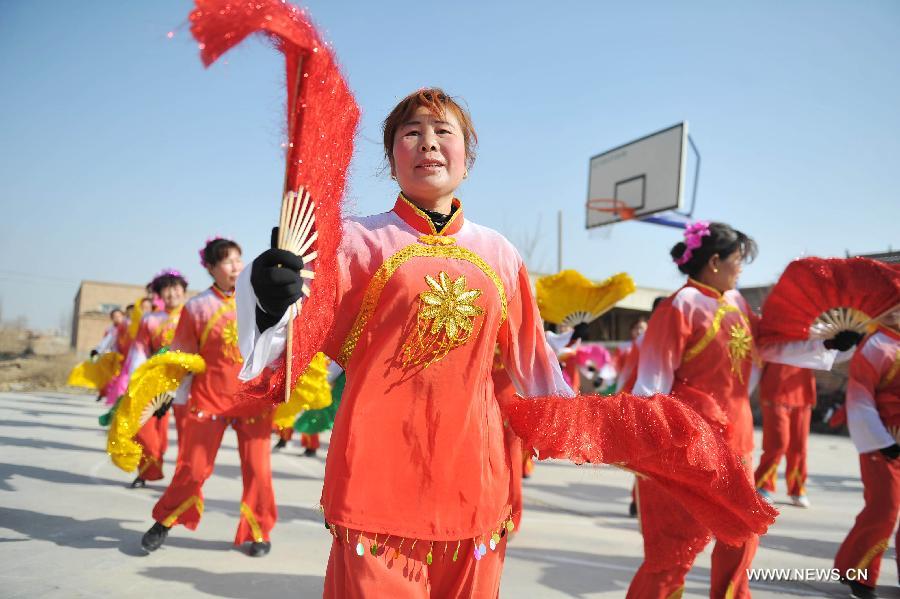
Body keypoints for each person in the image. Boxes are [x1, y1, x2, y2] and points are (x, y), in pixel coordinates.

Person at [239, 90, 776, 598]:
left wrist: (638, 437)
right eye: (410, 132)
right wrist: (267, 298)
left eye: (442, 130)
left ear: (466, 156)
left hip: (477, 479)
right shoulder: (353, 241)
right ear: (391, 158)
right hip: (376, 476)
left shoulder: (499, 253)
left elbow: (539, 374)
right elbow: (288, 342)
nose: (427, 142)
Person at [627, 221, 858, 599]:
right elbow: (652, 384)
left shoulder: (735, 303)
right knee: (673, 552)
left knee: (742, 534)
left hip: (736, 440)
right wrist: (648, 450)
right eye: (738, 261)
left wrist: (831, 343)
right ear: (714, 262)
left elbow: (769, 346)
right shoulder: (679, 307)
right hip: (689, 446)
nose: (741, 269)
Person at [140, 238, 278, 558]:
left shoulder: (261, 298)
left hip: (253, 398)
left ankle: (260, 529)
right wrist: (167, 396)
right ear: (211, 268)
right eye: (227, 262)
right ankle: (164, 520)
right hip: (209, 398)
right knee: (193, 468)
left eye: (238, 259)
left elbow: (279, 344)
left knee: (258, 469)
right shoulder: (197, 307)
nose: (235, 267)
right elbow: (182, 356)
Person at [834, 309, 900, 599]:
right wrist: (881, 440)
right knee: (884, 508)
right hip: (882, 443)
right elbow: (859, 396)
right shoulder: (875, 345)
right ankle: (857, 571)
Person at [126, 270, 188, 488]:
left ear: (183, 290)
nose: (171, 293)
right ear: (161, 294)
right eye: (166, 289)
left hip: (188, 382)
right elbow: (139, 351)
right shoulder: (150, 320)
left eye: (176, 288)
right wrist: (134, 380)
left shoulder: (194, 314)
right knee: (146, 427)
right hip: (155, 379)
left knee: (188, 437)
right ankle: (146, 470)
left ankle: (183, 481)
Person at [753, 362, 817, 507]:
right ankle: (763, 485)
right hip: (776, 388)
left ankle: (797, 488)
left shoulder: (813, 341)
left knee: (799, 446)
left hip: (802, 392)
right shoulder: (775, 339)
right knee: (778, 443)